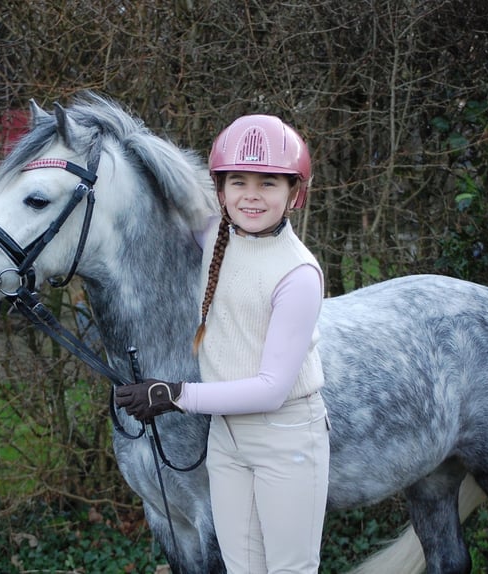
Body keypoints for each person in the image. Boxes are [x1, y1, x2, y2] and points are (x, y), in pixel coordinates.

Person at [115, 114, 330, 574]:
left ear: (295, 192)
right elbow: (158, 206)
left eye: (269, 182)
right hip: (227, 439)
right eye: (238, 181)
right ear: (220, 189)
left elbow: (272, 388)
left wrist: (174, 394)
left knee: (290, 569)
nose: (251, 195)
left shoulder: (298, 275)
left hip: (286, 438)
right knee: (240, 567)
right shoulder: (214, 235)